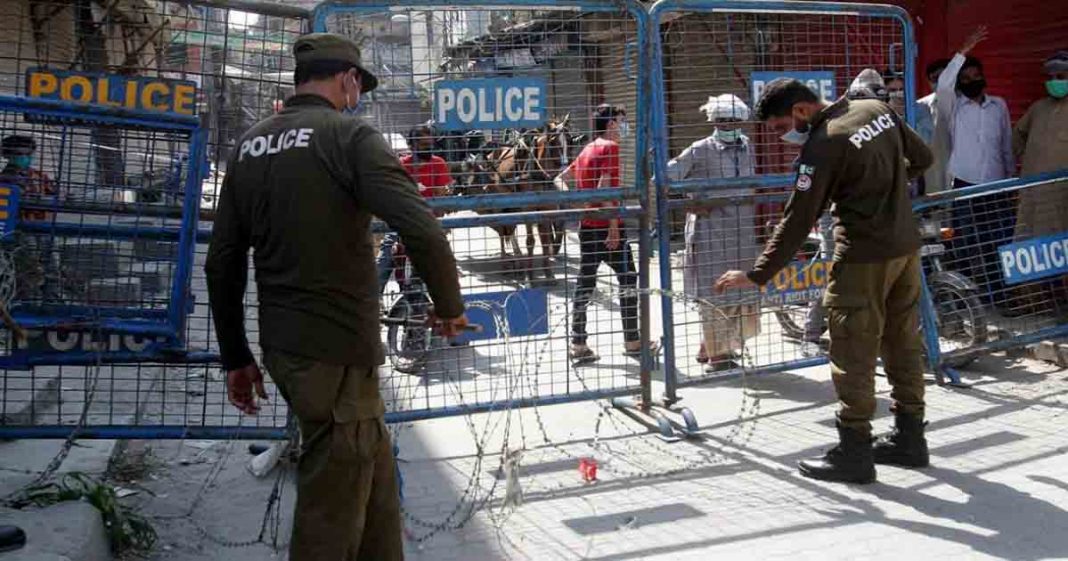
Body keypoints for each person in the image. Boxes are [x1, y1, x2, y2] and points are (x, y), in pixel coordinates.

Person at [205, 33, 467, 561]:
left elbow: (222, 261)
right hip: (337, 351)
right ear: (347, 80)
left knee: (372, 479)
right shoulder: (349, 137)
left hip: (286, 346)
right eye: (358, 87)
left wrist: (236, 355)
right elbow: (423, 229)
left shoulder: (250, 146)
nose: (358, 97)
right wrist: (448, 307)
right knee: (333, 504)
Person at [715, 78, 933, 484]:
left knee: (853, 350)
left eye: (781, 127)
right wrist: (883, 187)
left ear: (801, 111)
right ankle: (909, 437)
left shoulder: (823, 144)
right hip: (905, 248)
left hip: (863, 258)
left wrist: (757, 274)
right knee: (903, 341)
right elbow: (923, 157)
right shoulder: (876, 110)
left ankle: (853, 451)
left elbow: (797, 220)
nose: (782, 137)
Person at [666, 94, 759, 372]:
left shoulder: (747, 146)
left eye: (733, 120)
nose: (728, 125)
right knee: (715, 289)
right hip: (711, 231)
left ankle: (712, 346)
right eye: (722, 120)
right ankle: (719, 355)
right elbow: (666, 177)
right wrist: (689, 201)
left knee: (740, 288)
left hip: (742, 230)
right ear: (714, 121)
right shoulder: (700, 149)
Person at [555, 104, 653, 363]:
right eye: (622, 121)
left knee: (585, 283)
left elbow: (561, 178)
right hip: (608, 229)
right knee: (628, 280)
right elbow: (606, 188)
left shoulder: (588, 147)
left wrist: (581, 205)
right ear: (611, 124)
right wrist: (612, 227)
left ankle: (578, 342)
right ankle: (633, 340)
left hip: (587, 227)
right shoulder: (610, 148)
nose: (625, 126)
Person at [938, 27, 1017, 308]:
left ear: (984, 78)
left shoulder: (999, 106)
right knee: (969, 244)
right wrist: (962, 53)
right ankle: (969, 304)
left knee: (999, 242)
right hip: (965, 185)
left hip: (997, 186)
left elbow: (1006, 145)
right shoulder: (953, 108)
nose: (972, 81)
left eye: (976, 76)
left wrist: (1012, 183)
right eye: (966, 78)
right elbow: (944, 84)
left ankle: (1002, 297)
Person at [1011, 49, 1068, 313]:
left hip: (1061, 195)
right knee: (1024, 246)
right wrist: (1027, 163)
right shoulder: (1038, 108)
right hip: (1031, 192)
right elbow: (1018, 135)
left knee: (1061, 247)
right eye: (1052, 76)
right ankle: (1030, 303)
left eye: (1062, 75)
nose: (1056, 80)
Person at [375, 123, 454, 294]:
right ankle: (374, 302)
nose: (428, 148)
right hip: (401, 225)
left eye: (430, 144)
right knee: (382, 264)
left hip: (428, 225)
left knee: (441, 268)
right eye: (423, 145)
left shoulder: (438, 164)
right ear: (412, 146)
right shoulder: (401, 165)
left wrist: (441, 198)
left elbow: (442, 199)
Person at [1, 135, 59, 302]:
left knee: (50, 266)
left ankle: (51, 300)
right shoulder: (4, 179)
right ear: (8, 155)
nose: (25, 158)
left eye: (28, 154)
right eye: (20, 154)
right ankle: (26, 301)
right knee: (27, 267)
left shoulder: (39, 176)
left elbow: (53, 196)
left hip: (42, 228)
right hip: (20, 229)